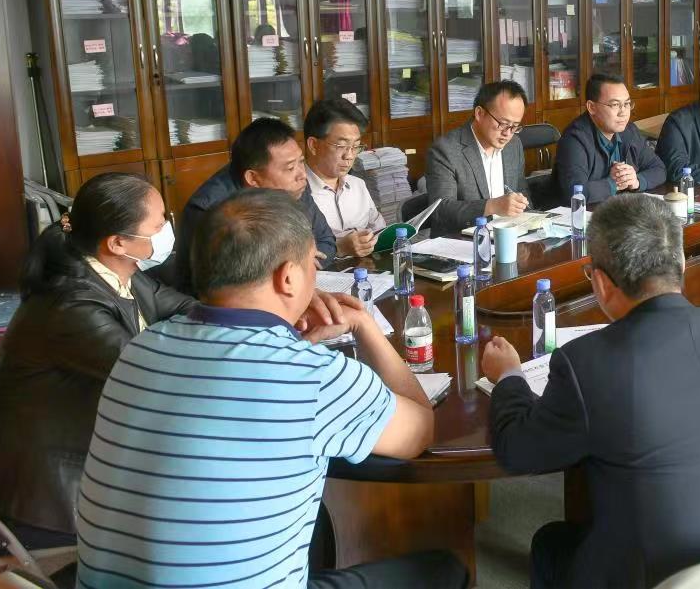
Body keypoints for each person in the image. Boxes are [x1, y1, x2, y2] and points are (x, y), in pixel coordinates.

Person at [74, 189, 468, 589]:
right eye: (313, 262)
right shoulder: (313, 377)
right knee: (442, 569)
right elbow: (421, 429)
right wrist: (364, 324)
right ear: (288, 277)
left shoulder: (141, 348)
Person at [482, 193, 700, 588]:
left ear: (600, 283)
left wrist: (509, 375)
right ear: (682, 263)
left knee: (551, 543)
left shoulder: (588, 364)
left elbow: (517, 450)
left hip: (671, 580)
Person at [0, 173, 196, 545]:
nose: (167, 230)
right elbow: (150, 375)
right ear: (117, 242)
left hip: (107, 466)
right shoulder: (72, 306)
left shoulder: (122, 274)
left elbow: (186, 308)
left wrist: (242, 319)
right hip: (59, 498)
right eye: (159, 224)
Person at [172, 117, 337, 292]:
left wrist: (301, 264)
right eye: (290, 168)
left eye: (301, 162)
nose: (302, 174)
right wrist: (298, 263)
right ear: (253, 178)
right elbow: (224, 287)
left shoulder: (295, 185)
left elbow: (326, 241)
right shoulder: (209, 211)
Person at [425, 79, 531, 234]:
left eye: (515, 126)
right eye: (503, 124)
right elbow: (440, 210)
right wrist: (493, 206)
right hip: (461, 241)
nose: (508, 133)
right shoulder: (445, 150)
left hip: (509, 235)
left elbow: (522, 191)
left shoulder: (514, 145)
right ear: (480, 114)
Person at [552, 73, 666, 203]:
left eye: (627, 104)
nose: (623, 112)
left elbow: (659, 169)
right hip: (582, 213)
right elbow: (574, 192)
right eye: (615, 105)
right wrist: (614, 183)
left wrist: (636, 181)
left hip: (618, 207)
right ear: (592, 107)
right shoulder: (574, 140)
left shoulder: (629, 130)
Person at [304, 98, 386, 258]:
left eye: (355, 146)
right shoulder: (296, 193)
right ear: (314, 145)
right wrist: (339, 248)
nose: (349, 156)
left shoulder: (358, 185)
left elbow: (380, 232)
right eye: (341, 146)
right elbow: (292, 256)